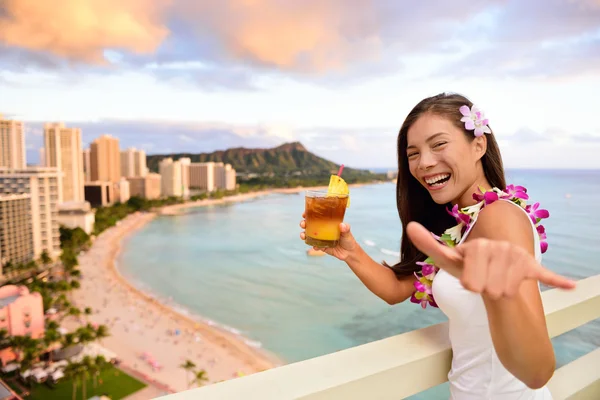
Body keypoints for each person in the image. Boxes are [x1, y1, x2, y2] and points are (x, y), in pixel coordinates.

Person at [299, 93, 576, 399]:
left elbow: (536, 372)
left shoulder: (498, 218)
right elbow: (396, 289)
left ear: (478, 145)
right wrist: (349, 251)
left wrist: (498, 290)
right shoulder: (459, 228)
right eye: (413, 153)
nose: (424, 163)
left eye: (439, 144)